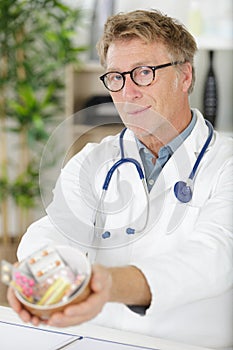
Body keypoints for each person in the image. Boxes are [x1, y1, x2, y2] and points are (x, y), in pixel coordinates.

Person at [7, 9, 233, 350]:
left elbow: (214, 255)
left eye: (144, 73)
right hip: (97, 339)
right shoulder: (92, 160)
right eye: (116, 77)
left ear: (185, 76)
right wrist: (36, 273)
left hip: (188, 343)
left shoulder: (226, 162)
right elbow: (55, 230)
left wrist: (106, 284)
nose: (127, 93)